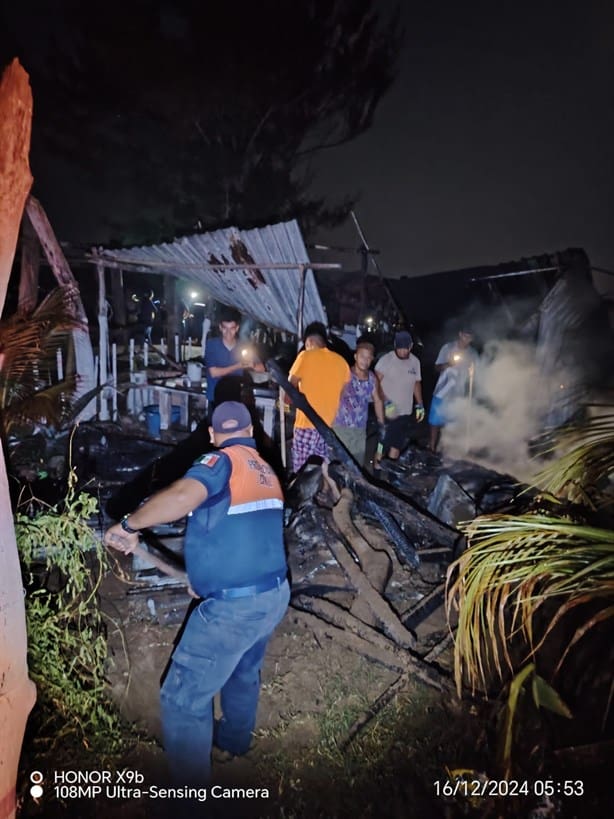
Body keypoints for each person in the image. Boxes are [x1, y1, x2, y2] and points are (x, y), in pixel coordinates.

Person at [103, 401, 289, 785]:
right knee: (242, 671)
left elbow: (183, 497)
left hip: (234, 609)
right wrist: (181, 569)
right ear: (252, 432)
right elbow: (229, 543)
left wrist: (130, 525)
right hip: (271, 595)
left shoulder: (220, 463)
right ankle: (234, 744)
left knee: (181, 700)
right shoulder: (266, 471)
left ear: (212, 436)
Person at [288, 322, 350, 473]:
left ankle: (303, 496)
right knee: (320, 469)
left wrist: (285, 403)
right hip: (327, 427)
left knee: (301, 470)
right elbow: (343, 395)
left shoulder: (305, 356)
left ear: (308, 342)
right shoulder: (341, 362)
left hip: (306, 424)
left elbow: (289, 386)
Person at [332, 339, 385, 466]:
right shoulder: (346, 374)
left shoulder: (372, 378)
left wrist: (382, 423)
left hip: (360, 430)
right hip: (341, 428)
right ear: (355, 356)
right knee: (338, 465)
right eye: (362, 356)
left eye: (368, 358)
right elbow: (335, 397)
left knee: (356, 466)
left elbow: (377, 400)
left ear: (372, 359)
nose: (365, 361)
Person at [374, 330, 424, 462]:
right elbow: (375, 382)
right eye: (399, 348)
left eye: (405, 348)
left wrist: (420, 404)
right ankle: (376, 473)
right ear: (395, 345)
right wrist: (385, 402)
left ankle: (391, 477)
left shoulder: (415, 362)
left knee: (396, 446)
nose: (402, 351)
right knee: (381, 445)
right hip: (387, 412)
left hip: (405, 412)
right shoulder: (387, 360)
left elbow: (416, 383)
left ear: (411, 346)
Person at [428, 328, 478, 452]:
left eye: (470, 337)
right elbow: (436, 367)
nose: (467, 339)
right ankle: (432, 447)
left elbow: (476, 375)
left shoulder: (473, 354)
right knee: (435, 422)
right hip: (441, 392)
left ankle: (446, 451)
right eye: (465, 336)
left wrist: (473, 372)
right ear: (460, 334)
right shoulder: (448, 348)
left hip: (458, 395)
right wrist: (448, 364)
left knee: (452, 425)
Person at [204, 307, 265, 406]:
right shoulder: (212, 345)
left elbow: (261, 368)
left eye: (232, 328)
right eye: (225, 328)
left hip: (236, 399)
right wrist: (238, 366)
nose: (228, 333)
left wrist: (252, 364)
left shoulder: (243, 346)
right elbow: (214, 373)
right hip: (215, 398)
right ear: (220, 327)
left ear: (237, 328)